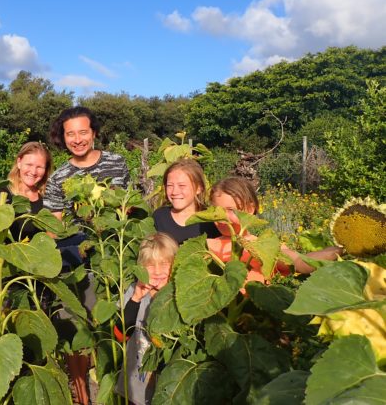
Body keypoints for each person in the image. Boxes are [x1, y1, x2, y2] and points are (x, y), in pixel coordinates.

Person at [44, 106, 130, 405]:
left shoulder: (116, 163)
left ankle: (119, 392)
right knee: (76, 328)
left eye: (83, 132)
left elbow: (128, 205)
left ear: (93, 132)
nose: (78, 139)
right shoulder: (60, 176)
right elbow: (53, 223)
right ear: (62, 137)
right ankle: (84, 399)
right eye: (71, 134)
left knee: (114, 327)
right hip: (77, 257)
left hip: (114, 255)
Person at [208, 176, 341, 281]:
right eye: (216, 210)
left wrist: (338, 251)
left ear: (250, 208)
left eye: (231, 210)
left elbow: (299, 261)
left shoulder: (264, 246)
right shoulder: (206, 246)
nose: (222, 217)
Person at [114, 233, 178, 405]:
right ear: (141, 267)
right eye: (150, 265)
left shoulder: (178, 295)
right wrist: (135, 299)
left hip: (165, 380)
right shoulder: (135, 292)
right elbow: (120, 336)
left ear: (175, 265)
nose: (157, 271)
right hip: (137, 378)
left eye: (164, 264)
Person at [153, 159, 221, 244]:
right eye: (170, 185)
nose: (174, 192)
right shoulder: (159, 217)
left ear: (198, 188)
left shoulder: (210, 220)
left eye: (182, 186)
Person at [0, 141, 52, 242]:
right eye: (29, 164)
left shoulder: (47, 198)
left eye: (39, 167)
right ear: (19, 163)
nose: (33, 172)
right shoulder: (2, 194)